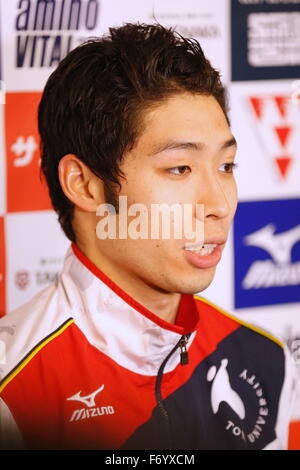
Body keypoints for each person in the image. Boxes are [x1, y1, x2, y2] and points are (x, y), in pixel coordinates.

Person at [0, 23, 296, 450]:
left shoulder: (265, 361)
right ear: (85, 186)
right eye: (180, 168)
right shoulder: (13, 390)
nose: (220, 204)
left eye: (226, 166)